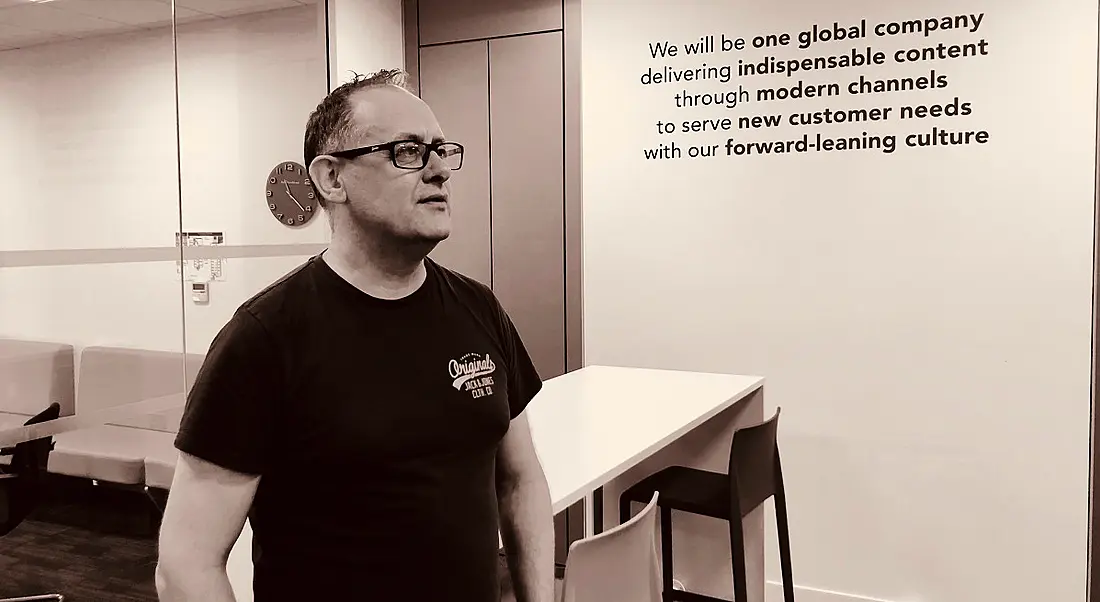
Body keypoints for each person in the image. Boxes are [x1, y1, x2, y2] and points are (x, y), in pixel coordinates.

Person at [155, 68, 555, 602]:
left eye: (441, 150)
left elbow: (520, 481)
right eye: (408, 151)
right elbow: (185, 564)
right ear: (331, 179)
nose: (438, 170)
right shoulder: (263, 340)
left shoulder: (479, 308)